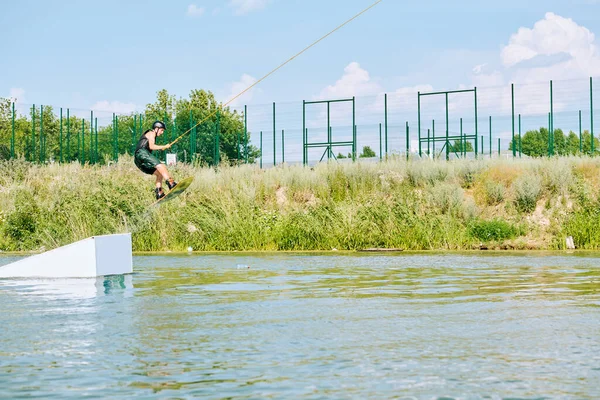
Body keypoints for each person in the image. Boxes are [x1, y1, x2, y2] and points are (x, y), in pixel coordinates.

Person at [134, 121, 178, 200]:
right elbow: (151, 146)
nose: (162, 132)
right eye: (161, 130)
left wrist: (162, 147)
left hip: (138, 161)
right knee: (161, 166)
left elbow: (151, 146)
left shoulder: (152, 135)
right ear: (156, 129)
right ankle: (171, 183)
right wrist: (163, 146)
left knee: (159, 174)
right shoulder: (151, 133)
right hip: (142, 153)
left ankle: (159, 193)